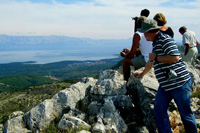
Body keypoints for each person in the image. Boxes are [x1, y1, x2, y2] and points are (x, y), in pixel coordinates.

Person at [134, 19, 197, 133]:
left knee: (185, 114)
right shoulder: (156, 42)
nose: (143, 35)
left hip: (179, 83)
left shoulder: (165, 40)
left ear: (150, 31)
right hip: (166, 85)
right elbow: (151, 61)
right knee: (159, 110)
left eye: (145, 32)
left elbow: (175, 57)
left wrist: (156, 58)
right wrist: (142, 73)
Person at [120, 16, 152, 82]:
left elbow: (131, 55)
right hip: (155, 59)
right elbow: (147, 48)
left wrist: (125, 55)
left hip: (147, 61)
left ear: (138, 24)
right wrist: (133, 51)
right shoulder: (151, 32)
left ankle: (127, 82)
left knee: (125, 61)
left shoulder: (138, 34)